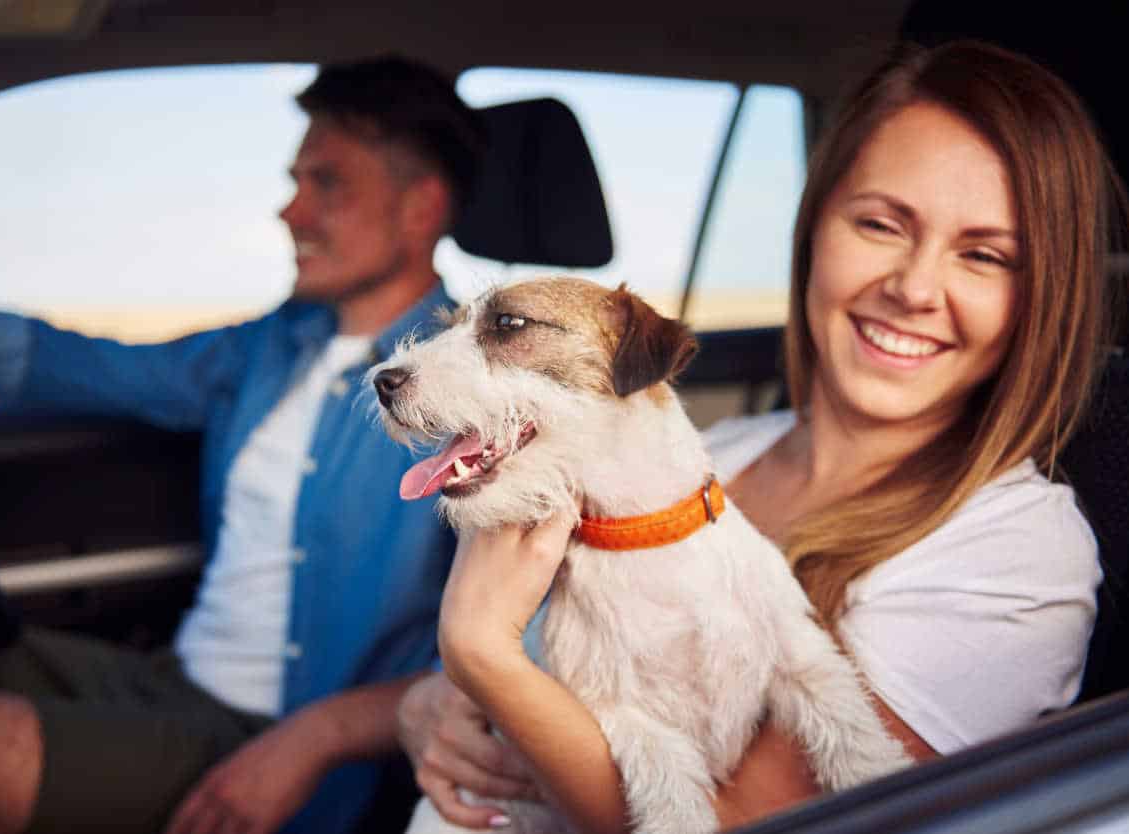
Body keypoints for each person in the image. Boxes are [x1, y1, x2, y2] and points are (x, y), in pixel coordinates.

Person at [398, 39, 1122, 833]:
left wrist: (481, 656)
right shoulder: (718, 451)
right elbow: (529, 663)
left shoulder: (1015, 550)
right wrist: (428, 707)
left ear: (1038, 299)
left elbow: (750, 820)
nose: (914, 288)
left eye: (984, 255)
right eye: (881, 223)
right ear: (814, 230)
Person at [0, 55, 484, 834]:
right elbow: (74, 365)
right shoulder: (274, 348)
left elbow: (506, 654)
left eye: (326, 183)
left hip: (284, 746)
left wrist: (315, 738)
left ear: (420, 208)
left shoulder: (474, 388)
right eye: (295, 180)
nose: (290, 212)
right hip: (175, 680)